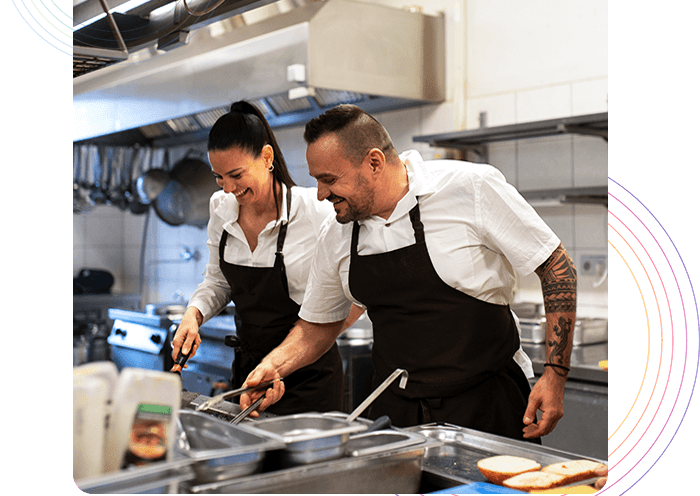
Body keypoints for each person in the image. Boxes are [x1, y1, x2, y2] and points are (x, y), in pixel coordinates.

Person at [241, 104, 577, 442]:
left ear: (374, 162)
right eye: (317, 181)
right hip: (398, 415)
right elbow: (318, 327)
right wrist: (274, 367)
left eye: (329, 180)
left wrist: (555, 374)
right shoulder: (337, 231)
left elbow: (556, 267)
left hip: (487, 406)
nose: (321, 194)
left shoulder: (470, 188)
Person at [170, 101, 344, 414]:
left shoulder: (314, 211)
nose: (228, 188)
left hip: (308, 380)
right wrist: (193, 315)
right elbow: (217, 281)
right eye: (219, 178)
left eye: (236, 174)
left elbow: (351, 294)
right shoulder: (220, 209)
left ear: (266, 157)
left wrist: (299, 350)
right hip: (249, 377)